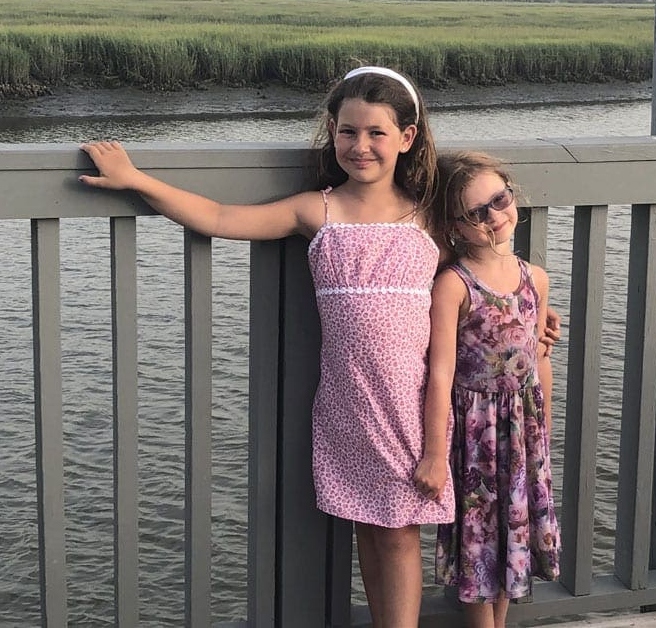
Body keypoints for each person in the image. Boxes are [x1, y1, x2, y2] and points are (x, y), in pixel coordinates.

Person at [79, 65, 452, 628]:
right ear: (332, 132)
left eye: (377, 133)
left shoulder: (429, 216)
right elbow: (221, 217)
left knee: (400, 536)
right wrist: (138, 180)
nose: (360, 146)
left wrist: (534, 308)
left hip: (414, 406)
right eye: (348, 131)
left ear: (407, 137)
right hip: (350, 406)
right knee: (370, 532)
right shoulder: (316, 209)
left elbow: (485, 275)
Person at [429, 151, 561, 628]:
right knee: (477, 541)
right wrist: (435, 447)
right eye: (475, 213)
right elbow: (441, 372)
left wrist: (543, 425)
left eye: (499, 200)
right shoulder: (453, 285)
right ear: (455, 227)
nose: (493, 217)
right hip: (474, 436)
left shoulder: (536, 279)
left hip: (521, 430)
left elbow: (539, 361)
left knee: (512, 535)